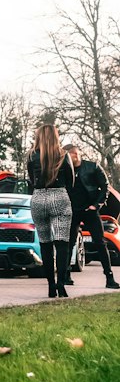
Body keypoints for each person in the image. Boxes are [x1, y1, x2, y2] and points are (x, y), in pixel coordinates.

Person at [26, 123, 75, 298]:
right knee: (62, 243)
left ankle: (50, 286)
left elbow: (31, 180)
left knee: (45, 243)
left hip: (39, 197)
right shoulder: (63, 155)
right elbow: (70, 181)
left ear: (38, 136)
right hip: (59, 195)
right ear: (56, 136)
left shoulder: (31, 156)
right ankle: (61, 284)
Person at [63, 142, 120, 290]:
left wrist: (96, 205)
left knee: (100, 243)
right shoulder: (64, 170)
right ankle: (65, 276)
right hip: (73, 210)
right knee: (69, 243)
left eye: (67, 156)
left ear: (75, 155)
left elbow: (105, 186)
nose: (65, 160)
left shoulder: (92, 167)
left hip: (90, 211)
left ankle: (109, 278)